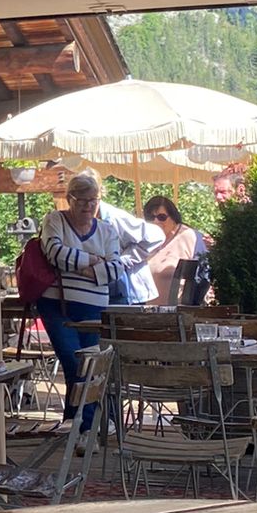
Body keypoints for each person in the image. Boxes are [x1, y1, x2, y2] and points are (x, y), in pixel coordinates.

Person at [37, 171, 163, 424]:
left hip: (94, 309)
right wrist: (95, 260)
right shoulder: (55, 220)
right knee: (74, 364)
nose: (88, 206)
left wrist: (81, 266)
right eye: (82, 200)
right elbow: (55, 253)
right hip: (58, 307)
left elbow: (115, 269)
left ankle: (76, 427)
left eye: (93, 200)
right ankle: (85, 428)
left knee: (90, 368)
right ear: (69, 199)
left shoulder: (106, 230)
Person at [142, 193, 210, 305]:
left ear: (173, 217)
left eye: (162, 217)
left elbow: (203, 276)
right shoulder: (145, 241)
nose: (156, 222)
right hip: (148, 309)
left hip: (181, 309)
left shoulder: (190, 237)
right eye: (150, 218)